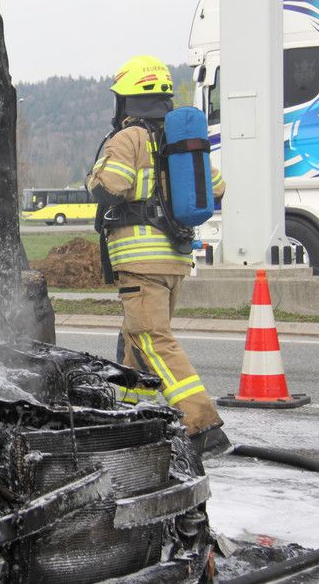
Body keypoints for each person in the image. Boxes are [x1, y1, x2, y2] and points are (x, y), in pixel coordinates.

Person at [85, 55, 230, 457]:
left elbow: (110, 187)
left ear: (126, 99)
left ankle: (203, 425)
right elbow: (217, 188)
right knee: (136, 340)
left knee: (152, 339)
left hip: (140, 260)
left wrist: (92, 174)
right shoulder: (182, 140)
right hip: (175, 258)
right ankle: (130, 416)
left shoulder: (129, 138)